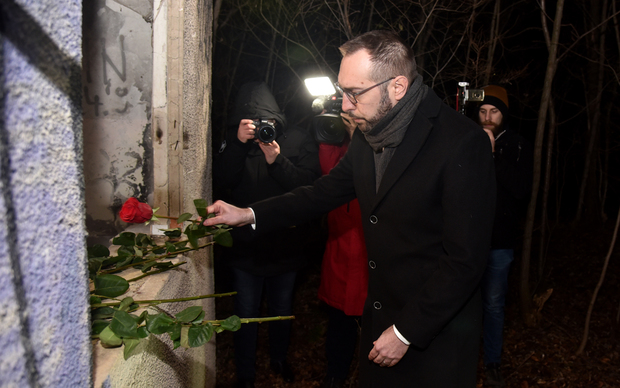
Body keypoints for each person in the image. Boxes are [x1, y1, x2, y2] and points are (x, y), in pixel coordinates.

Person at [205, 31, 496, 387]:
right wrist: (249, 214)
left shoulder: (462, 143)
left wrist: (406, 332)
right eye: (342, 91)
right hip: (377, 322)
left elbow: (465, 261)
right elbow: (321, 193)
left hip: (432, 333)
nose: (344, 105)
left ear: (398, 87)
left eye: (354, 93)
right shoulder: (368, 133)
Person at [213, 81, 321, 388]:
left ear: (278, 120)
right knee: (245, 313)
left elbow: (310, 188)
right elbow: (221, 181)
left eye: (269, 123)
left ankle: (279, 360)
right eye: (257, 123)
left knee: (281, 310)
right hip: (246, 250)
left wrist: (277, 160)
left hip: (286, 248)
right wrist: (235, 142)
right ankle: (245, 374)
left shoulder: (297, 140)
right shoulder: (235, 143)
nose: (263, 129)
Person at [477, 85, 533, 387]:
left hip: (500, 244)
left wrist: (494, 153)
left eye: (494, 111)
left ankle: (493, 362)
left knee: (494, 305)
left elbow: (520, 189)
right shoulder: (467, 143)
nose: (487, 117)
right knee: (464, 303)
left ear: (504, 114)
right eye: (483, 111)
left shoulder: (517, 145)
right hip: (469, 243)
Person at [316, 113, 368, 388]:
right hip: (341, 250)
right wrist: (336, 133)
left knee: (372, 324)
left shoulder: (377, 140)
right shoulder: (341, 147)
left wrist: (359, 135)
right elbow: (329, 173)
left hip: (369, 253)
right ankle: (335, 376)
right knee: (339, 326)